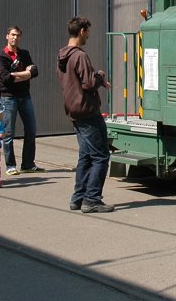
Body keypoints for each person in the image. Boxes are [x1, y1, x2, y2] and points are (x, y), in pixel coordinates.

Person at [57, 16, 114, 213]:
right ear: (81, 31)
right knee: (101, 156)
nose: (88, 35)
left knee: (86, 156)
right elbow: (89, 83)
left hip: (74, 111)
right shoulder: (79, 56)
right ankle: (92, 199)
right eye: (87, 32)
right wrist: (100, 75)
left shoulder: (62, 55)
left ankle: (78, 198)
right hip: (88, 111)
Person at [0, 25, 42, 175]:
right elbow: (5, 79)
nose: (15, 38)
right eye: (13, 35)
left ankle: (27, 164)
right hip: (8, 98)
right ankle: (10, 166)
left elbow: (35, 72)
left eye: (18, 35)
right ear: (7, 36)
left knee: (31, 129)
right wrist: (25, 74)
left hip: (25, 96)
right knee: (8, 133)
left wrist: (17, 75)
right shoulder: (0, 56)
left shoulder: (24, 54)